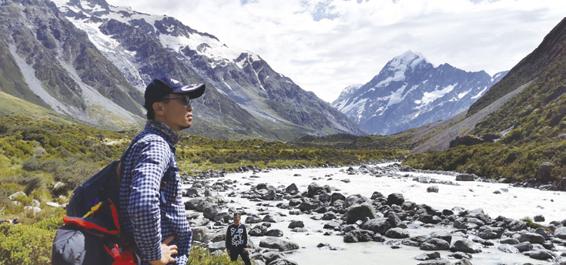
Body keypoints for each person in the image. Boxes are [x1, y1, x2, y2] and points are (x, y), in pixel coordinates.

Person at [119, 77, 205, 265]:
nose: (190, 107)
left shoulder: (147, 139)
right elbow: (143, 203)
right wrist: (154, 254)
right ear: (159, 108)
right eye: (183, 100)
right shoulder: (156, 145)